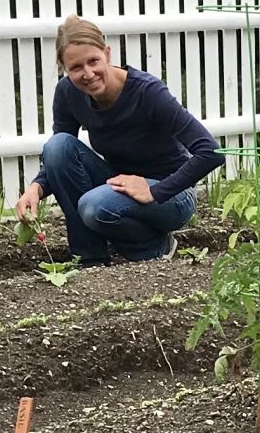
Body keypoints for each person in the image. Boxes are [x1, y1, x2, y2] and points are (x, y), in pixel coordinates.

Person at [13, 17, 224, 263]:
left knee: (95, 206)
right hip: (120, 184)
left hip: (172, 195)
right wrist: (35, 188)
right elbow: (59, 158)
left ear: (107, 53)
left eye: (93, 61)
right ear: (64, 68)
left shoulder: (147, 92)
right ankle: (89, 259)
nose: (88, 74)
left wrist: (155, 191)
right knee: (57, 145)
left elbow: (210, 152)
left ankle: (153, 249)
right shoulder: (68, 93)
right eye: (76, 67)